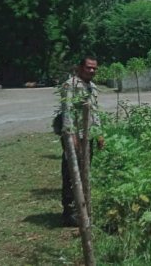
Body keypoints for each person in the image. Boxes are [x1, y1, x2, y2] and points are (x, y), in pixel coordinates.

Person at [60, 56, 104, 227]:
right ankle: (69, 213)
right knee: (71, 174)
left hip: (88, 136)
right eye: (88, 67)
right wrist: (71, 137)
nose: (92, 71)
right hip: (74, 137)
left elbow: (95, 112)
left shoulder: (92, 87)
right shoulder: (70, 85)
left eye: (94, 68)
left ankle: (82, 208)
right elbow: (67, 111)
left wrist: (99, 134)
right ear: (80, 68)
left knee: (85, 171)